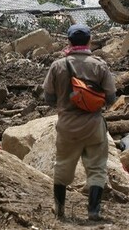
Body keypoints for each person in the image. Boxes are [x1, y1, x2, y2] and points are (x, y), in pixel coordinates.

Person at [42, 24, 116, 221]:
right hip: (94, 126)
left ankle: (59, 210)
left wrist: (65, 100)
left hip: (67, 127)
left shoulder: (58, 66)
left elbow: (48, 97)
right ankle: (93, 211)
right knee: (97, 168)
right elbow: (111, 97)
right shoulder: (99, 65)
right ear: (89, 41)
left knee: (63, 166)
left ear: (69, 41)